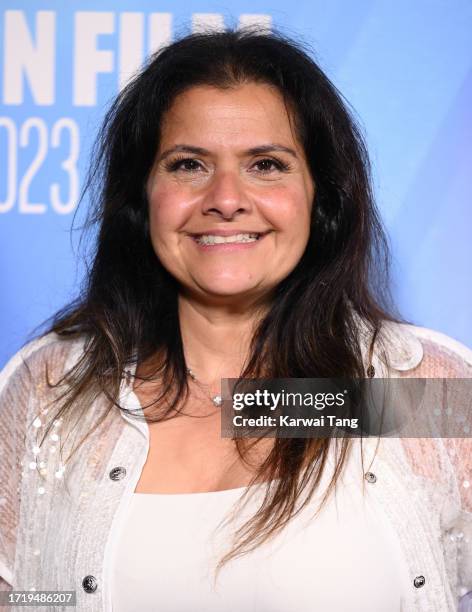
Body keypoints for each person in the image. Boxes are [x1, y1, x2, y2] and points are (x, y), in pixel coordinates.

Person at [0, 26, 471, 612]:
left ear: (321, 197)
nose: (225, 198)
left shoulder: (417, 387)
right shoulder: (52, 391)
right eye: (189, 165)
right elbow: (23, 595)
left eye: (266, 165)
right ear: (140, 196)